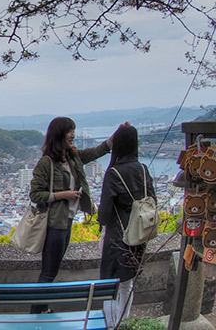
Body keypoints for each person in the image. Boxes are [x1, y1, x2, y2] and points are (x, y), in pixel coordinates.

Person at [28, 116, 113, 313]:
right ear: (59, 134)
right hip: (54, 224)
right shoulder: (46, 163)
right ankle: (37, 312)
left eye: (73, 130)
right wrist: (63, 195)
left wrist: (111, 140)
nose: (73, 135)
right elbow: (35, 194)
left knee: (52, 270)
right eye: (69, 131)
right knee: (49, 272)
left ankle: (42, 309)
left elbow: (94, 152)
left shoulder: (72, 157)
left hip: (66, 222)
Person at [98, 124, 155, 329]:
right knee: (127, 283)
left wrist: (100, 223)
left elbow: (104, 211)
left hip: (117, 235)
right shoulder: (142, 168)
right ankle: (125, 322)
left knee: (111, 284)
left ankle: (113, 325)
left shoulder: (114, 173)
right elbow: (152, 199)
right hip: (138, 234)